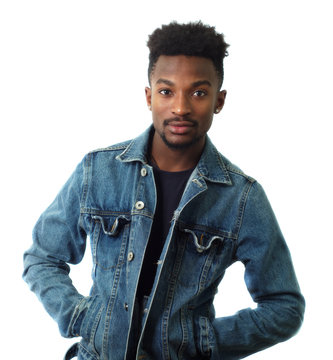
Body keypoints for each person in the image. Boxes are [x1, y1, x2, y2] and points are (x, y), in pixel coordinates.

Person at [23, 21, 305, 360]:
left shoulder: (240, 198)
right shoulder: (97, 171)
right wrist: (83, 317)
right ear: (149, 96)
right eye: (166, 91)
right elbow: (42, 258)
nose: (181, 108)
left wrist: (202, 341)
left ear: (219, 100)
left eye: (198, 92)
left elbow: (284, 307)